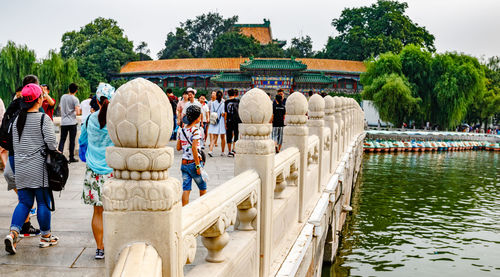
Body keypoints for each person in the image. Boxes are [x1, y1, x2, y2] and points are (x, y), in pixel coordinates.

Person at [4, 83, 58, 255]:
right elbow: (51, 144)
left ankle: (13, 234)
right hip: (39, 168)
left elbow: (12, 144)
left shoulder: (16, 120)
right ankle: (45, 237)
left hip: (20, 168)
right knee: (43, 202)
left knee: (24, 202)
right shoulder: (43, 119)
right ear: (38, 100)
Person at [79, 83, 115, 259]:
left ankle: (100, 248)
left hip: (93, 171)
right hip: (113, 172)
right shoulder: (116, 121)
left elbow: (82, 140)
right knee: (115, 211)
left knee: (97, 212)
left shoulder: (88, 119)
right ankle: (115, 244)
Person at [176, 105, 206, 206]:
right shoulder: (196, 131)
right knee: (202, 187)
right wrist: (198, 166)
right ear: (197, 118)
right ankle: (202, 209)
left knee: (186, 189)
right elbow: (194, 148)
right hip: (194, 163)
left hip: (184, 164)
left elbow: (178, 147)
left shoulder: (181, 130)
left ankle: (184, 210)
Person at [58, 83, 81, 163]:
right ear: (76, 91)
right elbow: (78, 112)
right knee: (72, 141)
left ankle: (59, 157)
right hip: (72, 122)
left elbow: (60, 107)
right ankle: (71, 157)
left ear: (68, 89)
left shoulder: (63, 97)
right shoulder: (75, 99)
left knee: (62, 140)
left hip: (63, 122)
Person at [208, 91, 226, 156]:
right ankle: (222, 152)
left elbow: (211, 111)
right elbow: (223, 113)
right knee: (222, 137)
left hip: (214, 120)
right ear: (222, 96)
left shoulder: (212, 103)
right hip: (221, 121)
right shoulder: (223, 103)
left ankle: (210, 150)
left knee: (214, 138)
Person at [225, 89, 241, 157]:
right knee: (236, 134)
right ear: (234, 94)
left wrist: (225, 122)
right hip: (237, 120)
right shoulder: (238, 101)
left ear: (228, 94)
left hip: (229, 120)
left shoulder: (226, 102)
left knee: (229, 135)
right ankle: (234, 149)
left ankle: (229, 151)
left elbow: (225, 113)